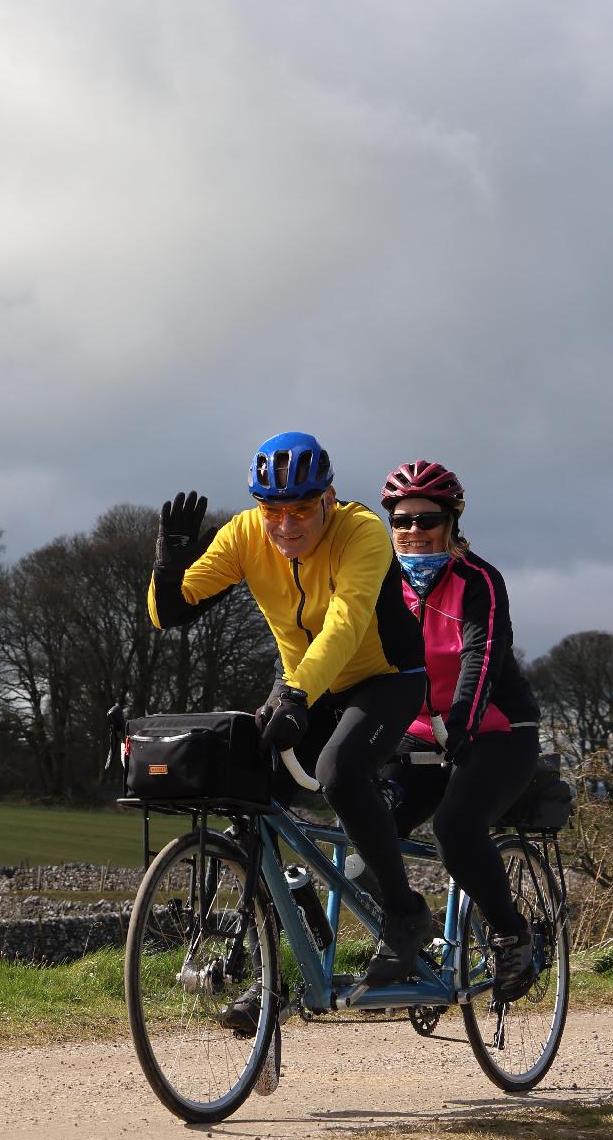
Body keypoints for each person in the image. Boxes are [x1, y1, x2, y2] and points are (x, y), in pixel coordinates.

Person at [149, 431, 430, 1019]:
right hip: (304, 680)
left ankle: (406, 914)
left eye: (301, 508)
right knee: (245, 783)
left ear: (328, 497)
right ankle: (275, 968)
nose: (285, 524)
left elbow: (347, 624)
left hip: (385, 678)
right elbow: (170, 614)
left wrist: (299, 692)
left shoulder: (363, 532)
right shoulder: (246, 535)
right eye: (272, 509)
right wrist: (167, 568)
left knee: (339, 769)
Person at [375, 460, 544, 1001]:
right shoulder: (380, 583)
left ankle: (511, 932)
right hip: (420, 730)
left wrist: (463, 728)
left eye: (428, 520)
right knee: (365, 833)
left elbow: (481, 656)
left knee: (455, 828)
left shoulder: (479, 580)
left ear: (452, 521)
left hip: (496, 731)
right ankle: (411, 934)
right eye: (401, 520)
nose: (414, 532)